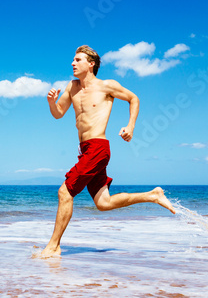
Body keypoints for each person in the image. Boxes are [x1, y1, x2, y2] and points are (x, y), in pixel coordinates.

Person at [40, 45, 176, 258]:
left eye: (78, 60)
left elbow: (134, 99)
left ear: (91, 64)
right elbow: (58, 113)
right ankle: (153, 195)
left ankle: (53, 246)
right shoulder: (72, 87)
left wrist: (130, 126)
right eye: (73, 60)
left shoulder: (106, 86)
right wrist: (51, 102)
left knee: (65, 192)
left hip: (98, 147)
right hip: (85, 150)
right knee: (104, 203)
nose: (72, 63)